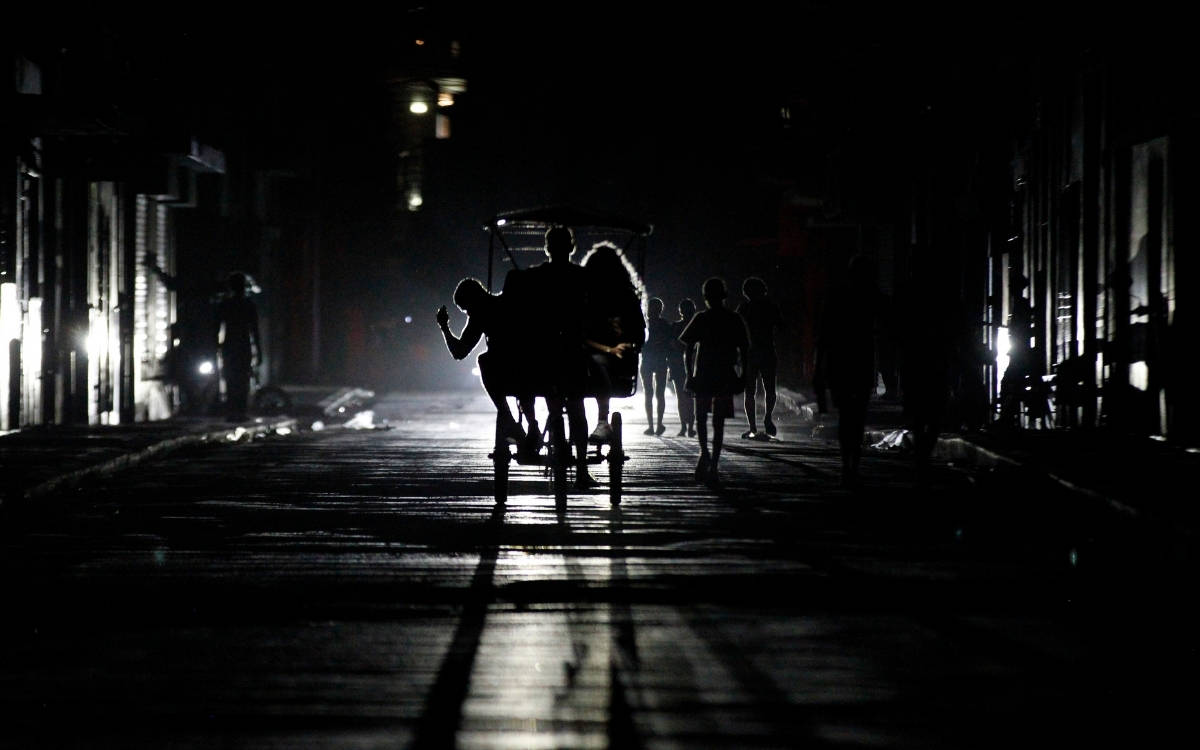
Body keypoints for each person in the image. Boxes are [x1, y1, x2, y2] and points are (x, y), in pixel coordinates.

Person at [502, 226, 595, 486]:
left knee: (548, 394)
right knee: (577, 409)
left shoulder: (534, 276)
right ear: (571, 247)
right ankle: (582, 467)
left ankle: (534, 425)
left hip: (542, 353)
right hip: (572, 352)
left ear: (547, 248)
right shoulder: (583, 276)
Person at [813, 255, 888, 487]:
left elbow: (823, 336)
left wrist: (819, 367)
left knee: (848, 416)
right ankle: (852, 462)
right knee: (857, 416)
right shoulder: (871, 296)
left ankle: (848, 462)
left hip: (840, 363)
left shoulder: (837, 296)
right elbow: (888, 325)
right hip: (860, 362)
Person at [436, 277, 535, 447]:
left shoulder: (481, 313)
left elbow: (460, 352)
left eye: (467, 309)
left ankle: (508, 417)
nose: (468, 314)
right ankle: (532, 425)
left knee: (484, 360)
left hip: (512, 370)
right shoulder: (511, 304)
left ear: (473, 300)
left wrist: (444, 327)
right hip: (532, 367)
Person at [679, 277, 750, 488]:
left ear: (707, 298)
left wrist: (688, 375)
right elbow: (744, 350)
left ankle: (705, 454)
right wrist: (743, 375)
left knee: (701, 418)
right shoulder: (733, 319)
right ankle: (714, 464)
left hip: (703, 375)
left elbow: (688, 348)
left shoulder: (702, 318)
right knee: (718, 422)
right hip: (725, 376)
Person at [579, 241, 646, 445]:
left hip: (612, 359)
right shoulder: (624, 295)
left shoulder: (618, 296)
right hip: (593, 352)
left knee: (596, 361)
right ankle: (599, 420)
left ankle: (602, 420)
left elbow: (637, 333)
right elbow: (640, 333)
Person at [736, 276, 785, 439]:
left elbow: (734, 331)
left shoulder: (744, 308)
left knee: (750, 391)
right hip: (767, 351)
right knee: (769, 388)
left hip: (749, 354)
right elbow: (782, 328)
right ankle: (767, 418)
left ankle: (752, 427)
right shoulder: (771, 307)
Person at [214, 271, 262, 422]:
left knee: (231, 378)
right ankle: (240, 411)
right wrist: (259, 351)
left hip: (229, 345)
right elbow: (255, 330)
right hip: (243, 345)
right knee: (242, 379)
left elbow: (215, 327)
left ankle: (233, 411)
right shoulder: (249, 305)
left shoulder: (225, 304)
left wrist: (215, 346)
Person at [640, 297, 673, 435]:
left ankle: (651, 425)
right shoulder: (665, 325)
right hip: (660, 360)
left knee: (648, 393)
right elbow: (670, 345)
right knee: (660, 394)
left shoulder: (644, 325)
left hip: (647, 360)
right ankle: (659, 424)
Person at [670, 298, 697, 436]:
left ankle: (685, 427)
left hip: (679, 365)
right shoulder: (696, 325)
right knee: (689, 397)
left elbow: (672, 346)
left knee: (682, 398)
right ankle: (689, 427)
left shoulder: (676, 326)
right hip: (689, 365)